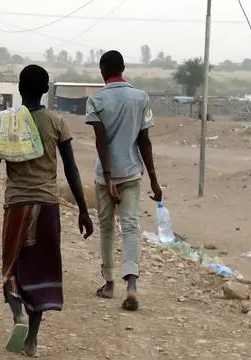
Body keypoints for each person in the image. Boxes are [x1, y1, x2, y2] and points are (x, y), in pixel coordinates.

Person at [0, 64, 94, 357]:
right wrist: (83, 210)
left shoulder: (6, 121)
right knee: (40, 270)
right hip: (47, 206)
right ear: (46, 90)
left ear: (19, 89)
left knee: (13, 265)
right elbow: (70, 169)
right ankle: (32, 339)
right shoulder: (57, 122)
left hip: (17, 205)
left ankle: (17, 314)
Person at [85, 50, 162, 311]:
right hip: (131, 173)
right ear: (124, 68)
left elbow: (101, 141)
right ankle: (132, 286)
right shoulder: (141, 98)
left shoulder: (96, 100)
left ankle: (108, 284)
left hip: (104, 176)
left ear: (103, 70)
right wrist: (154, 180)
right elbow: (145, 141)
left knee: (107, 229)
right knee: (131, 227)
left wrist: (107, 178)